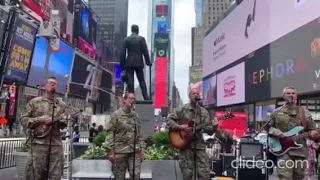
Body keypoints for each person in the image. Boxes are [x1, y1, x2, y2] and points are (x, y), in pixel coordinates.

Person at [20, 77, 69, 180]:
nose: (53, 85)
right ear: (44, 86)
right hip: (38, 146)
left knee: (56, 176)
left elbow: (63, 125)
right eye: (51, 83)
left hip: (56, 145)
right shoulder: (34, 102)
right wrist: (39, 120)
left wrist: (64, 121)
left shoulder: (61, 105)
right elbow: (23, 120)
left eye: (55, 84)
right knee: (34, 175)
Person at [269, 86, 319, 180]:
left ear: (296, 96)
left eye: (293, 93)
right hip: (283, 151)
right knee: (285, 177)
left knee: (299, 177)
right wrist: (275, 131)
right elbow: (268, 128)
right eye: (288, 93)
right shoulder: (276, 112)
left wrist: (313, 134)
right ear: (283, 96)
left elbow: (313, 131)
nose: (291, 95)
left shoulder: (305, 113)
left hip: (300, 152)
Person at [166, 88, 214, 180]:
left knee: (204, 174)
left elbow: (209, 130)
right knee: (187, 174)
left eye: (197, 94)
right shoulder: (182, 109)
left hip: (199, 145)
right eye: (193, 93)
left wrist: (214, 127)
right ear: (189, 95)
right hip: (185, 146)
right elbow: (169, 121)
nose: (195, 95)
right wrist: (180, 127)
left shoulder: (203, 112)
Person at [105, 93, 145, 180]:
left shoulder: (135, 116)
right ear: (124, 100)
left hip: (134, 151)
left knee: (136, 176)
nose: (132, 101)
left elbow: (139, 134)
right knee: (119, 177)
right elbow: (110, 133)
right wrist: (111, 152)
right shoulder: (116, 115)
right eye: (130, 98)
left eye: (134, 99)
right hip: (120, 152)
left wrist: (142, 150)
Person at [120, 24, 152, 100]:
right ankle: (146, 98)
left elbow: (123, 52)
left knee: (130, 81)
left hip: (129, 63)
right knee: (141, 81)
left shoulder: (127, 39)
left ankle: (131, 98)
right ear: (138, 30)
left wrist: (122, 64)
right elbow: (145, 52)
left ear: (131, 30)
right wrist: (148, 62)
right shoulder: (141, 39)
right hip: (139, 63)